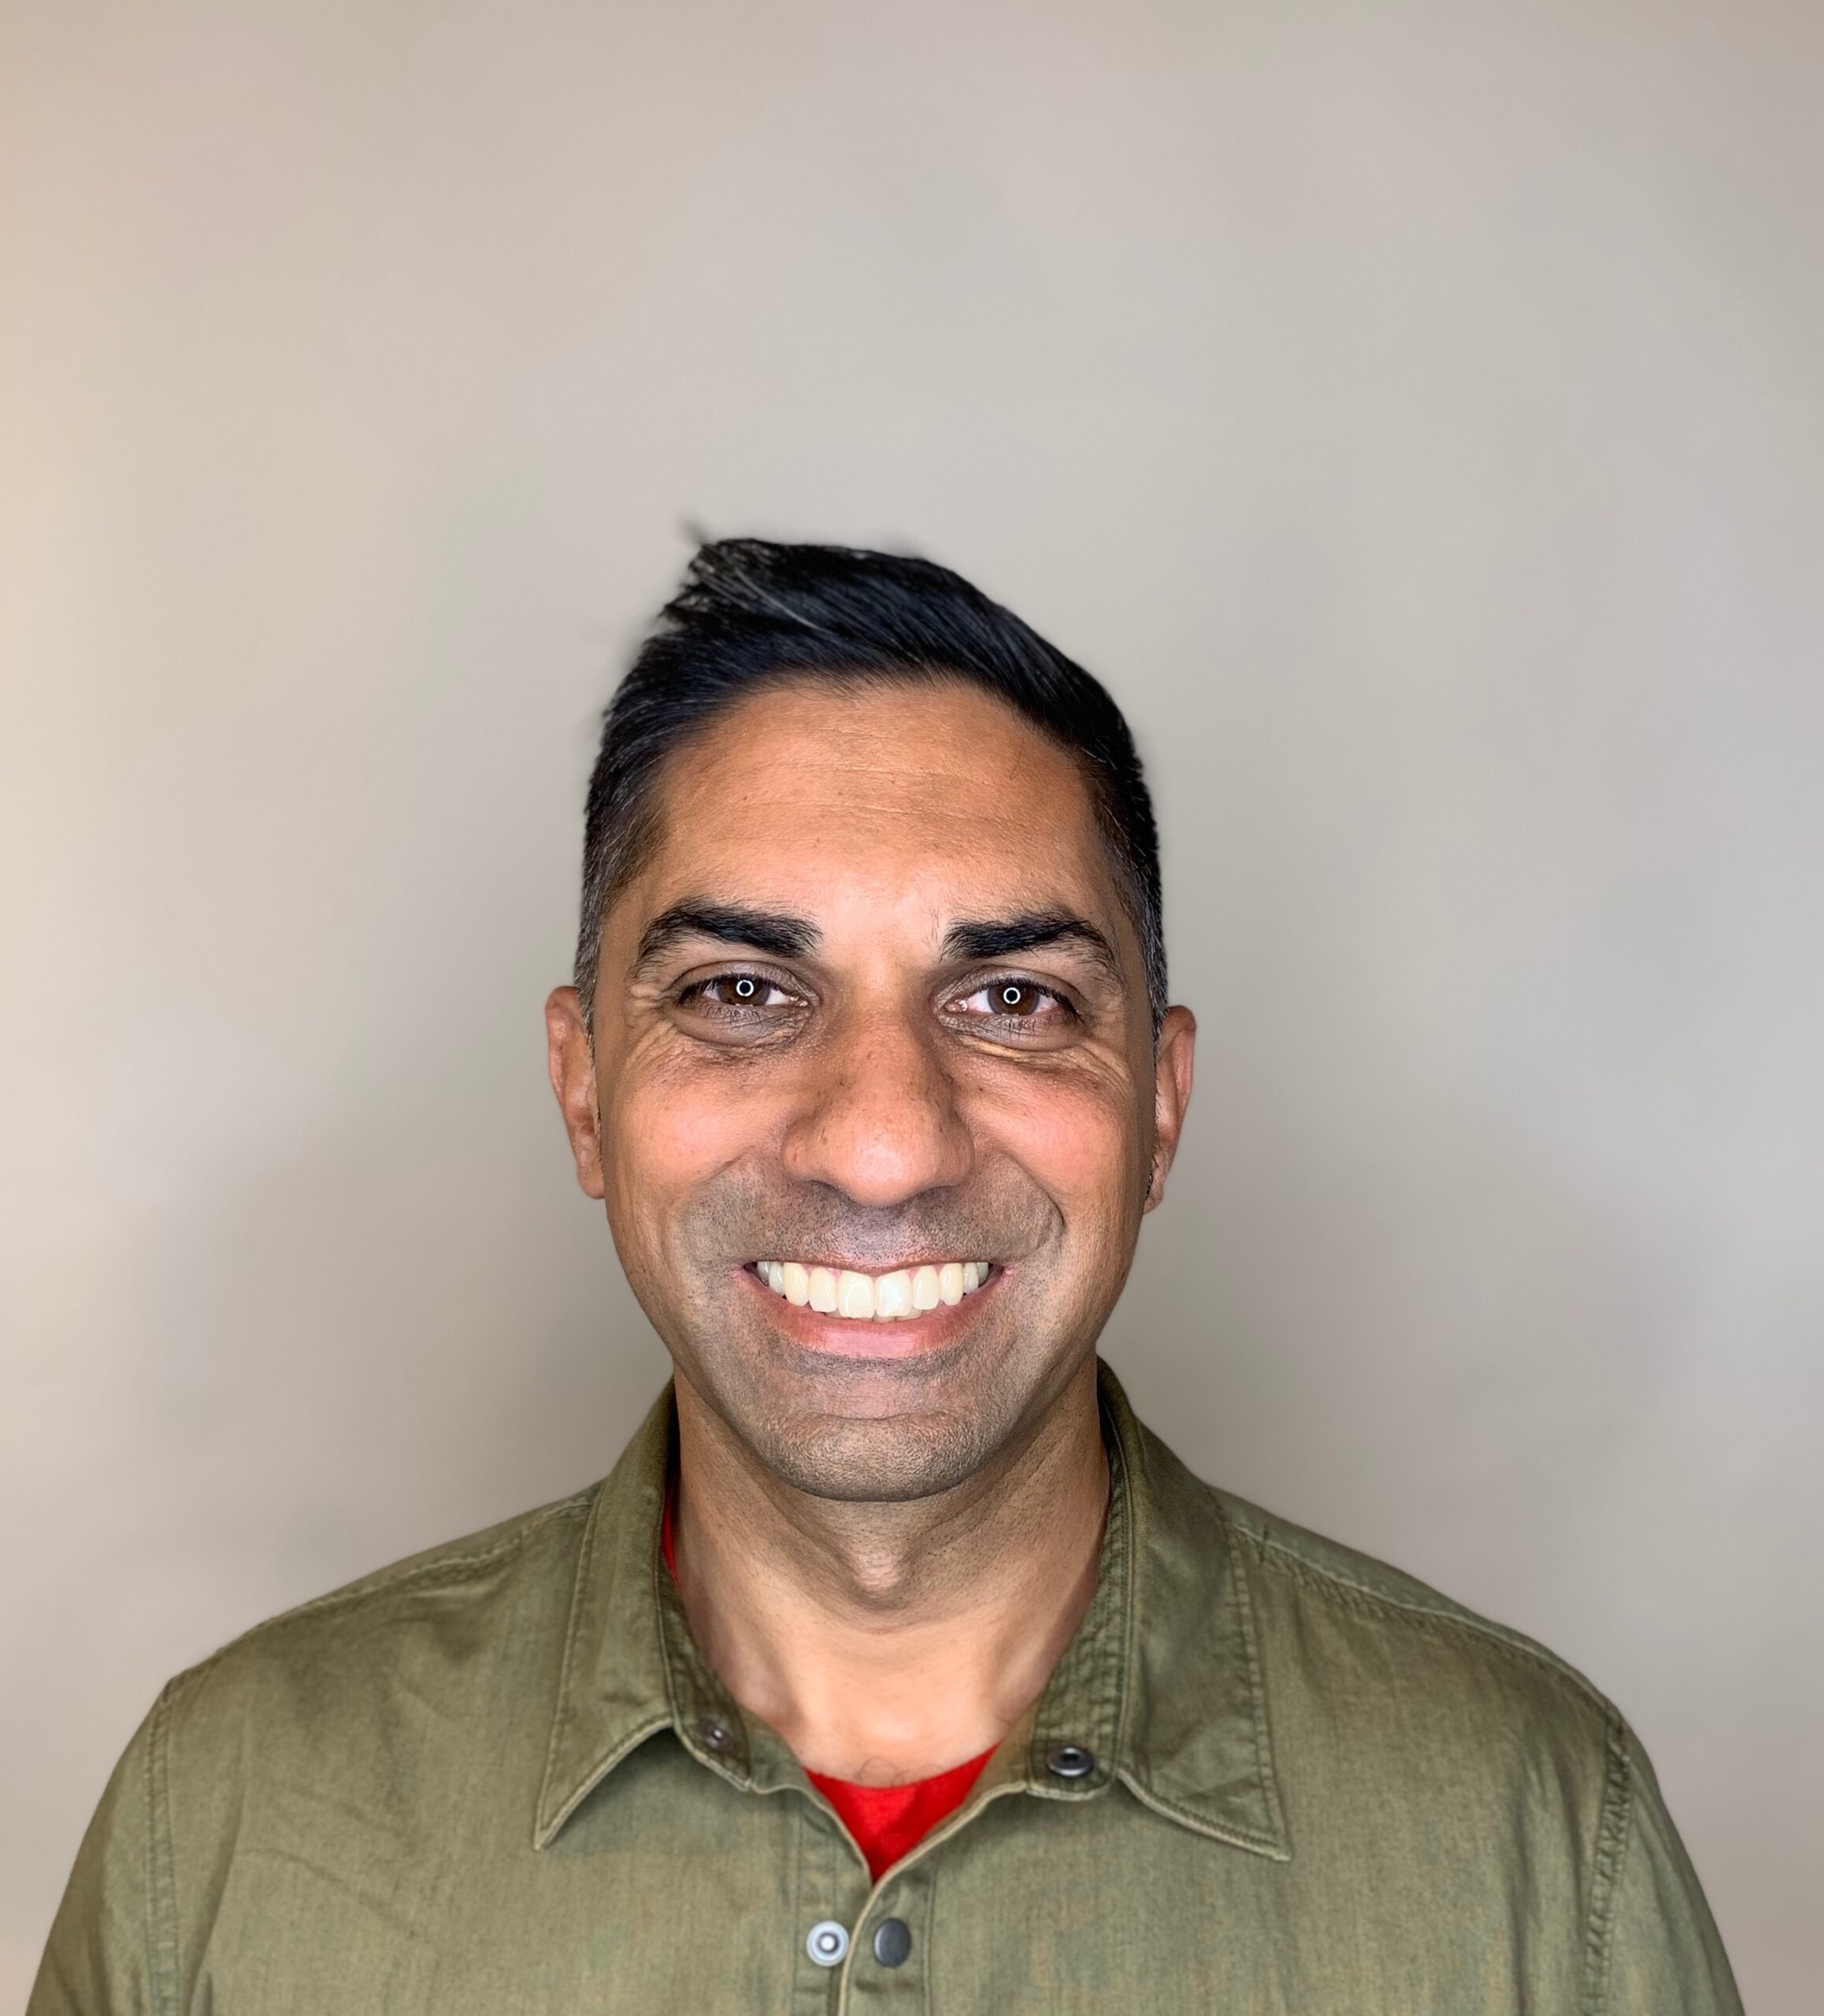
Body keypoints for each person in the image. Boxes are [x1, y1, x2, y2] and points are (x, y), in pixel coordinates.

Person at [32, 540, 1741, 2013]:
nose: (882, 1142)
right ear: (582, 1090)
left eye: (1012, 999)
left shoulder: (1536, 1838)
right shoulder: (234, 1821)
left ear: (1157, 1105)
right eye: (739, 990)